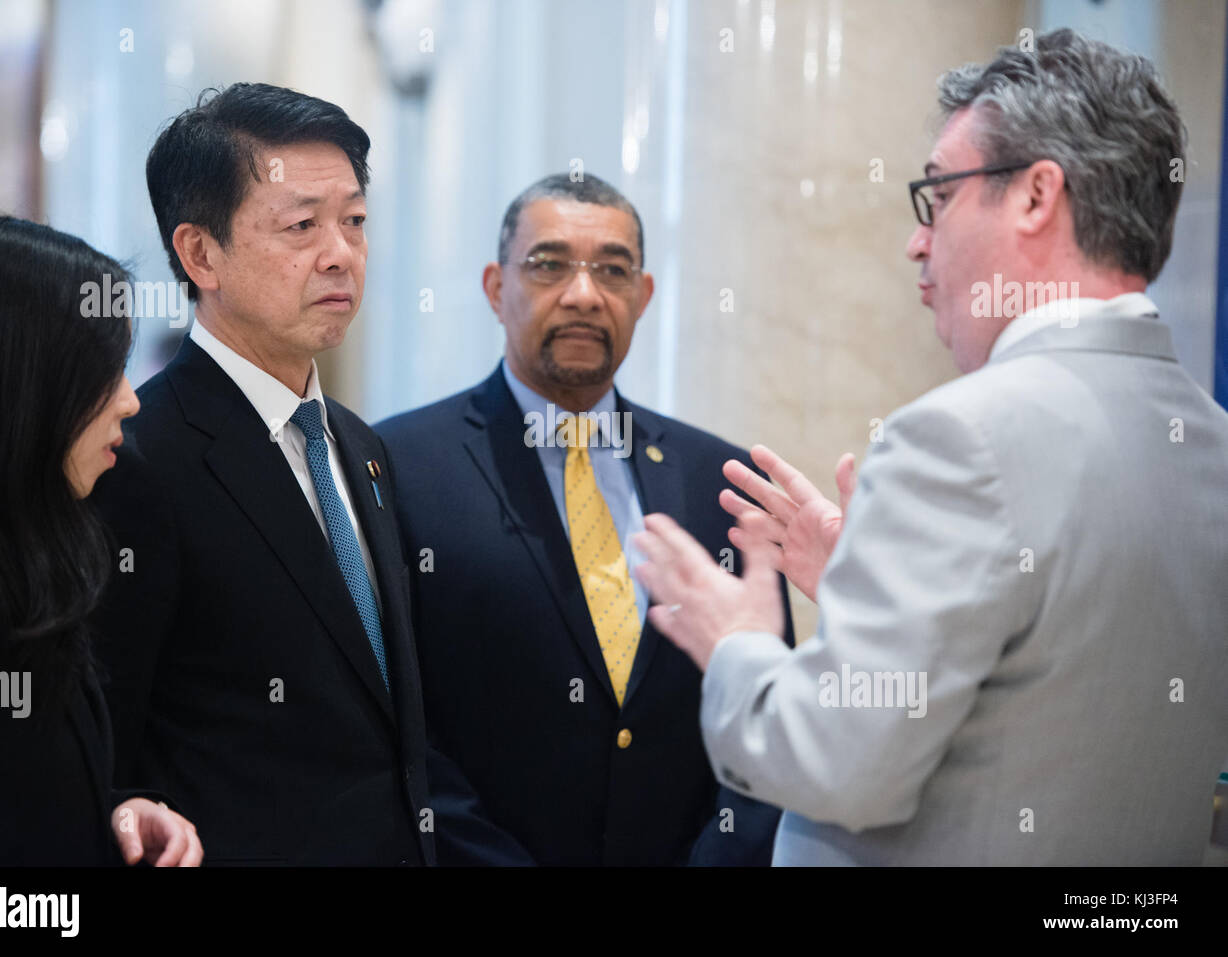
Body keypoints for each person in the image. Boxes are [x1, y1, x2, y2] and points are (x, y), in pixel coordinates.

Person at [632, 28, 1228, 865]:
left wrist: (738, 642)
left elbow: (839, 766)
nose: (919, 240)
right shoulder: (1212, 443)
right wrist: (871, 590)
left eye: (939, 195)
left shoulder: (962, 437)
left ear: (1034, 196)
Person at [376, 174, 791, 865]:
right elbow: (400, 726)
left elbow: (767, 707)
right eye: (549, 264)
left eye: (612, 269)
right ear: (494, 286)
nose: (583, 293)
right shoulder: (400, 465)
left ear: (644, 295)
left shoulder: (723, 480)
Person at [89, 83, 432, 865]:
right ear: (200, 252)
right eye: (302, 225)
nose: (340, 252)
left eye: (354, 221)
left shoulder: (359, 444)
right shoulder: (139, 456)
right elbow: (109, 747)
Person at [0, 215, 202, 866]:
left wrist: (115, 811)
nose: (131, 401)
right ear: (19, 385)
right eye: (104, 375)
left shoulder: (26, 547)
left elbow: (1, 795)